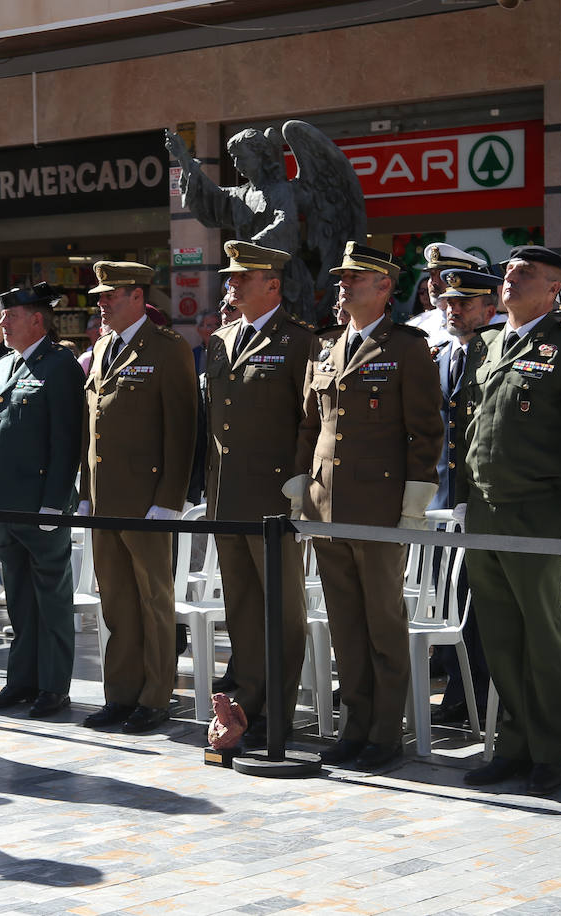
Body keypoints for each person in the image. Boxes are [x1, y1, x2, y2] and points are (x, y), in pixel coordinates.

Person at [460, 245, 561, 796]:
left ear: (553, 289)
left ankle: (548, 752)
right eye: (508, 271)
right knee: (500, 635)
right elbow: (469, 423)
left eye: (524, 274)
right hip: (485, 508)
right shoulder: (486, 343)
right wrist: (463, 495)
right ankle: (514, 745)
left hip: (539, 511)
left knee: (542, 637)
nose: (510, 279)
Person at [290, 242, 443, 769]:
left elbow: (426, 434)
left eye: (355, 277)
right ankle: (354, 727)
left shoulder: (408, 347)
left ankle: (384, 734)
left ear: (384, 287)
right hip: (326, 507)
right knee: (346, 626)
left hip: (379, 509)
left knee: (383, 625)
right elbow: (309, 425)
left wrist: (413, 507)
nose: (343, 284)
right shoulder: (325, 345)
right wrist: (300, 488)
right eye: (341, 277)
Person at [203, 241, 315, 749]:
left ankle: (278, 714)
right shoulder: (221, 340)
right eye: (230, 276)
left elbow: (309, 422)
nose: (231, 284)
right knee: (243, 611)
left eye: (242, 277)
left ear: (272, 284)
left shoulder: (298, 341)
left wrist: (300, 486)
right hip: (228, 498)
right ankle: (246, 705)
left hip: (274, 499)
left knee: (282, 613)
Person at [77, 261, 197, 733]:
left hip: (147, 501)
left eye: (111, 295)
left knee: (153, 602)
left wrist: (169, 499)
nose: (102, 304)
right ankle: (121, 694)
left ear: (137, 297)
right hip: (104, 501)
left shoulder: (168, 348)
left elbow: (182, 429)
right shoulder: (102, 347)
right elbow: (92, 428)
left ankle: (155, 697)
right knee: (117, 603)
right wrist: (85, 493)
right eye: (100, 297)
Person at [0, 284, 85, 718]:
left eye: (11, 316)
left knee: (51, 600)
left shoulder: (60, 366)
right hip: (4, 505)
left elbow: (67, 439)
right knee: (19, 600)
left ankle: (53, 687)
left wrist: (54, 503)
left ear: (37, 320)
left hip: (40, 505)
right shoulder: (5, 364)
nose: (2, 323)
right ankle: (21, 681)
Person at [428, 268, 501, 727]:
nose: (453, 310)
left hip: (481, 501)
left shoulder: (496, 356)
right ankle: (459, 688)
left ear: (489, 310)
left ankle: (479, 693)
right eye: (449, 302)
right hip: (440, 499)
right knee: (450, 600)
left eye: (465, 303)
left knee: (481, 603)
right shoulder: (439, 356)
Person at [408, 243, 487, 347]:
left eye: (443, 276)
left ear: (462, 279)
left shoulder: (484, 323)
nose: (434, 282)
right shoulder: (416, 326)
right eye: (431, 274)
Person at [191, 310, 220, 374]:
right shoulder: (194, 354)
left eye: (217, 325)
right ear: (199, 329)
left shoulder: (228, 351)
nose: (214, 328)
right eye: (209, 325)